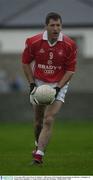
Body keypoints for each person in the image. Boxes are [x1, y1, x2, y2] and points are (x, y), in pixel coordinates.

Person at [22, 12, 77, 165]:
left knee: (49, 119)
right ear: (45, 26)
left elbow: (70, 70)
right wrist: (32, 84)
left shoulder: (69, 44)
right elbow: (25, 62)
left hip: (59, 83)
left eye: (58, 25)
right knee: (38, 122)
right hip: (39, 83)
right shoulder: (33, 41)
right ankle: (37, 144)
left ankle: (38, 156)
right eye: (52, 25)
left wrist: (58, 88)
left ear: (61, 26)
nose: (55, 28)